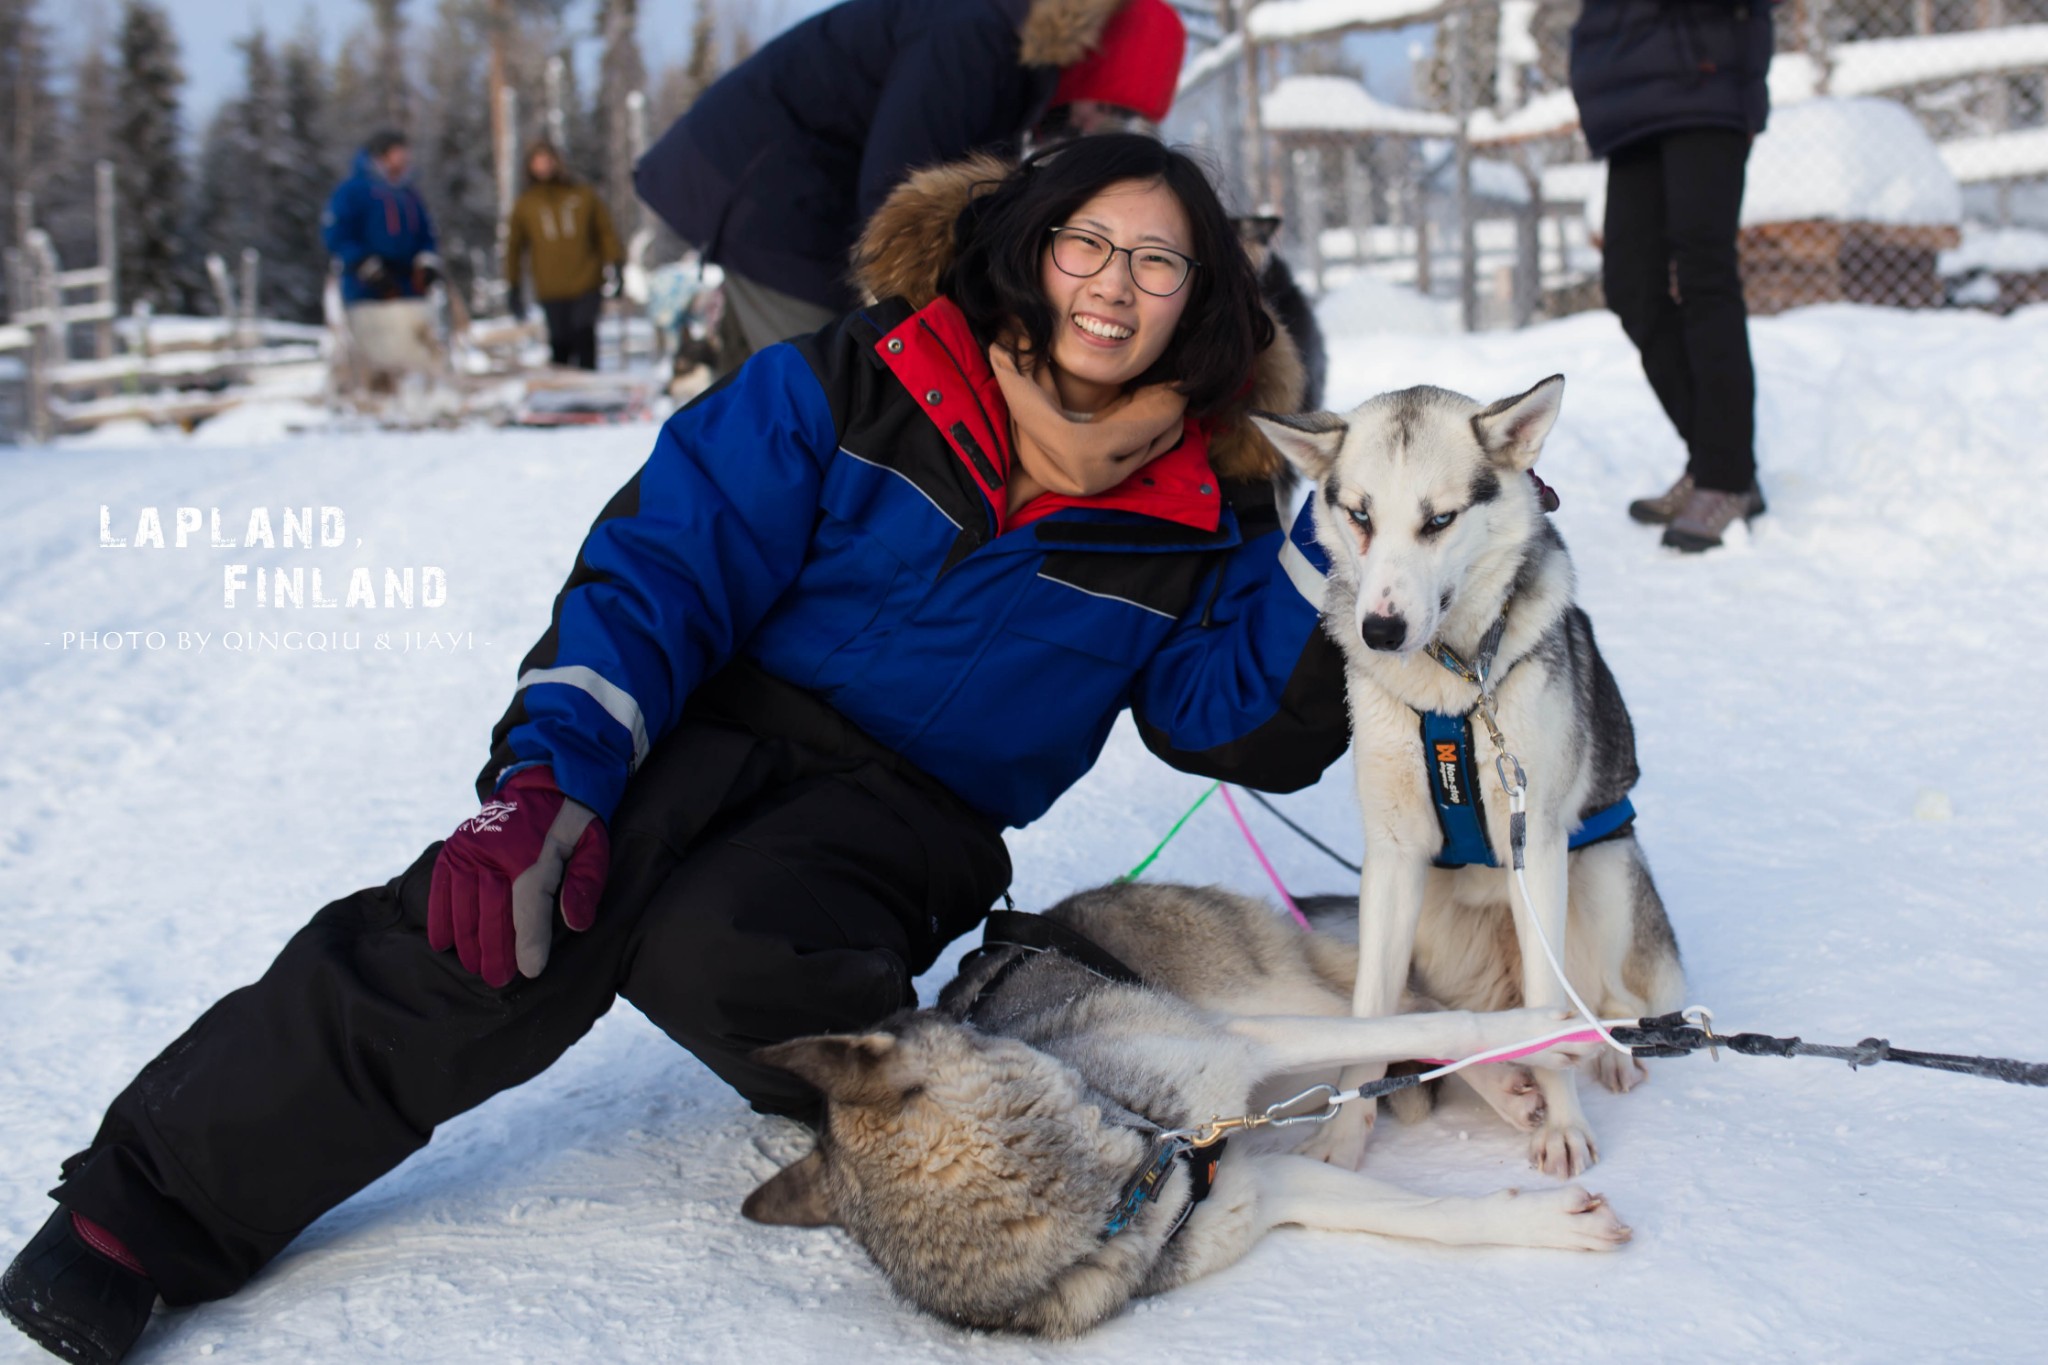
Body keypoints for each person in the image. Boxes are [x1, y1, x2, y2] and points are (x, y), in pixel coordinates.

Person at [0, 134, 1336, 1364]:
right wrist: (548, 779)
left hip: (907, 819)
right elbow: (665, 571)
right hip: (719, 721)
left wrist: (1344, 569)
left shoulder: (1202, 515)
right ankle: (150, 1206)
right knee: (513, 918)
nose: (1115, 285)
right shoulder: (862, 380)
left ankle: (876, 1086)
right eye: (1086, 244)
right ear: (1028, 248)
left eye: (1159, 260)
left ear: (1201, 298)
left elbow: (1220, 716)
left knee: (726, 943)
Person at [634, 0, 1187, 373]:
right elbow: (899, 196)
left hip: (791, 200)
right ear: (1094, 57)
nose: (1095, 126)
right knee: (830, 386)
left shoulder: (1007, 51)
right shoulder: (973, 38)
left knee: (755, 405)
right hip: (769, 197)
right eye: (1109, 107)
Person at [1570, 0, 1773, 552]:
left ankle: (1726, 477)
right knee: (1630, 285)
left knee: (1705, 275)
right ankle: (1716, 457)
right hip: (1627, 90)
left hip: (1702, 74)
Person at [321, 130, 445, 386]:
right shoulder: (353, 191)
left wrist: (427, 260)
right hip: (367, 288)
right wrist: (363, 264)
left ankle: (419, 396)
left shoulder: (409, 194)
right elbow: (336, 233)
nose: (404, 160)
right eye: (398, 154)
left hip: (409, 287)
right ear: (382, 156)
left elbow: (426, 233)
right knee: (377, 360)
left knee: (416, 353)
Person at [504, 141, 626, 370]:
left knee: (584, 334)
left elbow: (605, 232)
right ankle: (563, 401)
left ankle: (590, 394)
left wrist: (617, 263)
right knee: (560, 344)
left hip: (586, 281)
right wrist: (513, 285)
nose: (544, 166)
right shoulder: (526, 205)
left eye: (548, 160)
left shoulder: (583, 196)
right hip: (551, 287)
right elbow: (514, 248)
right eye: (538, 162)